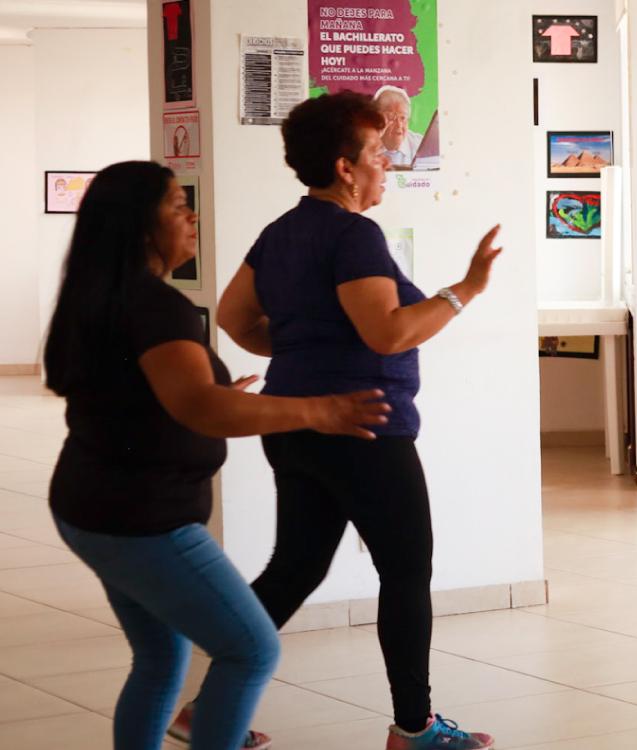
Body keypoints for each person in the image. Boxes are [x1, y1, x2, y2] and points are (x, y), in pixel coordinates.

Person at [42, 160, 389, 750]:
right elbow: (200, 409)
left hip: (92, 507)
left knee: (158, 656)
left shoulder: (100, 297)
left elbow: (134, 397)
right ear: (140, 225)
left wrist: (211, 401)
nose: (191, 216)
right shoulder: (155, 307)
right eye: (178, 207)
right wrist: (318, 411)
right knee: (251, 649)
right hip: (142, 521)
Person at [210, 92, 503, 750]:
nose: (388, 163)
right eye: (377, 152)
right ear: (346, 167)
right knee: (406, 570)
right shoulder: (352, 234)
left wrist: (301, 355)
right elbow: (389, 333)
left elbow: (234, 318)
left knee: (295, 567)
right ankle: (414, 728)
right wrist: (465, 290)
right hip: (365, 427)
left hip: (293, 423)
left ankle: (206, 708)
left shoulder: (281, 232)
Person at [372, 86, 423, 170]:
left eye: (403, 118)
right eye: (392, 118)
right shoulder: (366, 144)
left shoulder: (420, 145)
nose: (399, 125)